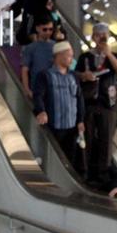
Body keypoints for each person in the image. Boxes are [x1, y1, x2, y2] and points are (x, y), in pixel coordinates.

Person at [75, 22, 117, 185]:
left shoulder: (115, 56)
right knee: (87, 138)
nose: (101, 38)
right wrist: (84, 76)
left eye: (104, 35)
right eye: (98, 35)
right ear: (93, 37)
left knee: (106, 139)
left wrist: (109, 54)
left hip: (107, 104)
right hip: (89, 103)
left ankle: (103, 174)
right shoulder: (85, 57)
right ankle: (86, 171)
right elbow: (75, 74)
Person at [32, 40, 86, 175]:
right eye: (69, 55)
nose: (71, 59)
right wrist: (41, 111)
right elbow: (38, 95)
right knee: (52, 157)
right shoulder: (45, 75)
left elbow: (79, 98)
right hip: (53, 127)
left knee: (70, 158)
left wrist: (80, 120)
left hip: (71, 127)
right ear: (59, 55)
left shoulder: (73, 76)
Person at [20, 16, 55, 98]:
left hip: (53, 87)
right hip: (37, 88)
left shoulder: (56, 46)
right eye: (45, 29)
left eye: (50, 29)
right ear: (37, 29)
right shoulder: (30, 48)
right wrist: (26, 89)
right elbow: (24, 69)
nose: (48, 32)